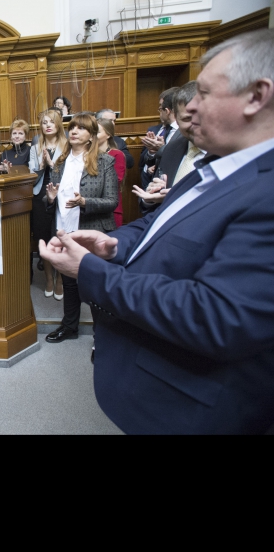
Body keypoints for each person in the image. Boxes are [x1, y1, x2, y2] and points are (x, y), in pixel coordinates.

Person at [39, 29, 274, 435]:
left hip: (200, 409)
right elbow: (158, 222)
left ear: (256, 96)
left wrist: (93, 272)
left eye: (203, 93)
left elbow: (216, 316)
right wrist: (114, 244)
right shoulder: (214, 164)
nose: (188, 108)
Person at [43, 114, 118, 344]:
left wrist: (85, 203)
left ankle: (101, 337)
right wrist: (50, 198)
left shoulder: (105, 161)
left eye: (81, 128)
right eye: (72, 127)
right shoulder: (59, 163)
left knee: (93, 285)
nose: (74, 131)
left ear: (91, 136)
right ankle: (69, 326)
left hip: (91, 231)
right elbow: (51, 202)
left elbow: (112, 201)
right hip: (65, 230)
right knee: (69, 283)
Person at [133, 81, 207, 209]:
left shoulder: (229, 152)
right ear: (176, 119)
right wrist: (150, 198)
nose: (196, 125)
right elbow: (151, 210)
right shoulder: (171, 149)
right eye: (187, 119)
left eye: (202, 116)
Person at [29, 110, 68, 298]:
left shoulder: (67, 145)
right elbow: (31, 177)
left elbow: (69, 174)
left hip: (61, 195)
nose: (47, 125)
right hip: (39, 196)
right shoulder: (36, 146)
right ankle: (49, 279)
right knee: (43, 237)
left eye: (51, 122)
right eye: (44, 122)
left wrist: (52, 164)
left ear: (58, 124)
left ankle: (60, 279)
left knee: (60, 236)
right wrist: (42, 166)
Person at [139, 87, 180, 189]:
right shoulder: (159, 130)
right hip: (152, 184)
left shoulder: (184, 131)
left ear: (167, 111)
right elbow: (144, 161)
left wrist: (162, 148)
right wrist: (152, 152)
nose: (159, 112)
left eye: (160, 108)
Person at [96, 118, 127, 228]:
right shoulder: (87, 155)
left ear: (108, 135)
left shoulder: (116, 154)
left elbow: (116, 180)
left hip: (111, 209)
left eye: (97, 132)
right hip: (92, 209)